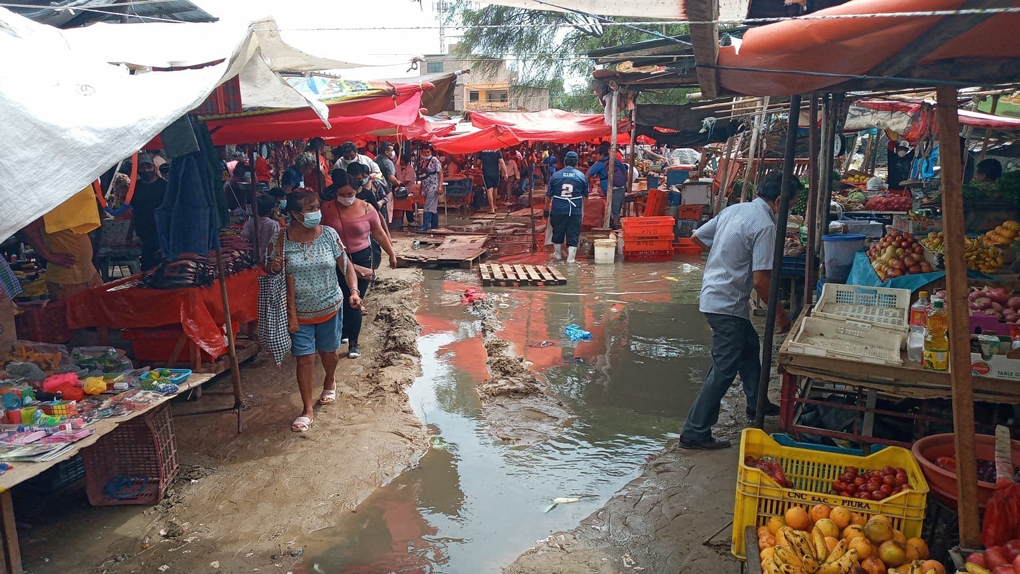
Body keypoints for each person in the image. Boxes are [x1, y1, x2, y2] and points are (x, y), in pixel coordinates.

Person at [677, 172, 797, 450]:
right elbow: (761, 280)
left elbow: (697, 237)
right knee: (724, 369)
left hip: (716, 296)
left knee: (749, 347)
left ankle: (757, 403)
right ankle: (695, 431)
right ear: (779, 201)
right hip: (727, 304)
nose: (787, 212)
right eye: (789, 206)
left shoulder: (735, 210)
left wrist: (725, 257)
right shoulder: (765, 225)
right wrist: (781, 315)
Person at [266, 189, 361, 433]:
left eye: (317, 207)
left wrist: (353, 291)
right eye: (310, 209)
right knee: (305, 359)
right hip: (297, 313)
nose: (316, 212)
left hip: (330, 306)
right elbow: (268, 267)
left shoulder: (329, 234)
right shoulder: (280, 239)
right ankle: (307, 409)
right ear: (295, 213)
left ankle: (330, 379)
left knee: (329, 354)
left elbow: (346, 265)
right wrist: (274, 266)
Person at [322, 180, 397, 359]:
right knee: (339, 298)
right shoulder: (327, 209)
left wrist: (391, 254)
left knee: (355, 299)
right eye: (342, 195)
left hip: (361, 258)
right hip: (334, 259)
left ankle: (353, 342)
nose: (346, 198)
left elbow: (379, 233)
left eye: (350, 194)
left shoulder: (367, 208)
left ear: (356, 191)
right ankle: (343, 331)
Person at [22, 217, 103, 301]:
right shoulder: (53, 212)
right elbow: (28, 227)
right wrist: (47, 255)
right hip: (67, 277)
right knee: (71, 308)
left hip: (88, 271)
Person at [546, 151, 589, 263]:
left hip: (558, 209)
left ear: (565, 162)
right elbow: (585, 197)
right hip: (575, 210)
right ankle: (571, 260)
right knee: (573, 234)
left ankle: (558, 257)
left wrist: (546, 209)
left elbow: (548, 195)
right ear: (576, 162)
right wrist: (582, 210)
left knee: (557, 232)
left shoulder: (555, 176)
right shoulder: (581, 176)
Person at [128, 153, 168, 270]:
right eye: (142, 167)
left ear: (154, 167)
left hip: (160, 232)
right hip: (143, 233)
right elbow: (135, 210)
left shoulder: (164, 186)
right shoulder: (136, 187)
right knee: (146, 267)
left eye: (148, 166)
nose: (146, 170)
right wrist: (130, 233)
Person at [588, 144, 628, 229]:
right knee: (615, 212)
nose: (595, 156)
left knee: (614, 214)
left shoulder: (599, 164)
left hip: (612, 191)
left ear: (601, 154)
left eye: (596, 154)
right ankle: (613, 230)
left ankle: (615, 233)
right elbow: (625, 171)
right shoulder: (615, 161)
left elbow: (587, 175)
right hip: (620, 189)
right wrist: (623, 182)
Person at [242, 194, 281, 264]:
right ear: (271, 210)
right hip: (269, 259)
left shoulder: (250, 222)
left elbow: (245, 239)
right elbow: (277, 242)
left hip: (252, 258)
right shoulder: (273, 224)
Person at [417, 146, 443, 232]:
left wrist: (440, 186)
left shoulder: (434, 160)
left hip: (434, 186)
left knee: (428, 206)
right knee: (433, 207)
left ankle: (425, 225)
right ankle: (434, 226)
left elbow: (440, 173)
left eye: (428, 152)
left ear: (431, 152)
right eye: (424, 152)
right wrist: (421, 189)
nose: (426, 154)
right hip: (426, 187)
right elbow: (422, 177)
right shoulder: (421, 162)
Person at [477, 149, 502, 214]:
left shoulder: (482, 151)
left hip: (486, 173)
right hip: (496, 173)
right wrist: (505, 173)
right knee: (495, 189)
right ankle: (494, 205)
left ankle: (492, 208)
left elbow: (478, 163)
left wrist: (480, 165)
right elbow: (501, 162)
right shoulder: (497, 150)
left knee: (489, 190)